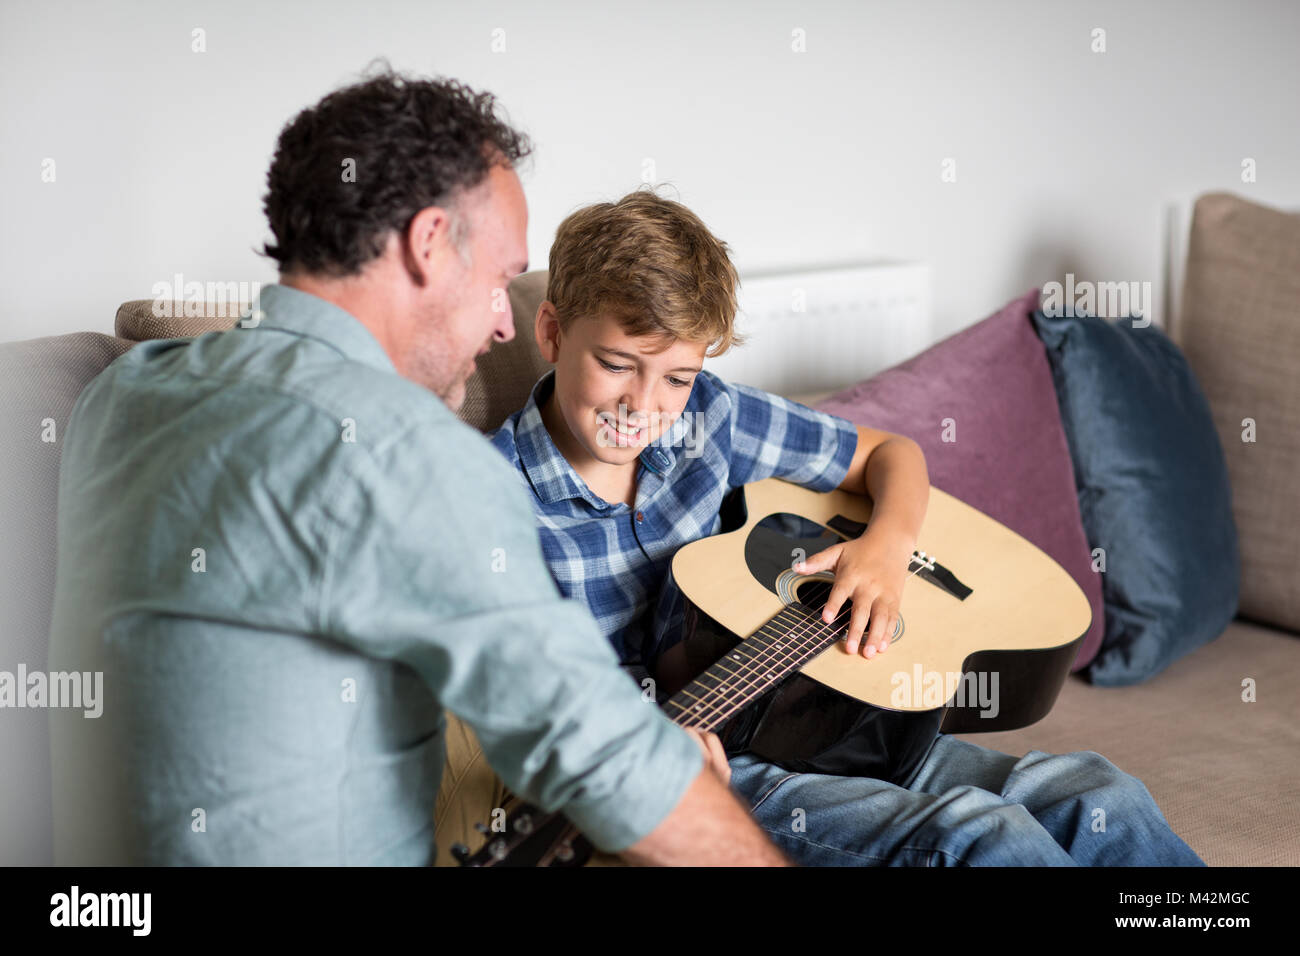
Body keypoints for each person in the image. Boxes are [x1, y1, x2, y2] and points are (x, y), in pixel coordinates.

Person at [45, 68, 788, 866]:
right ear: (430, 242)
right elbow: (601, 756)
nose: (506, 323)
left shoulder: (124, 393)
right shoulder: (401, 452)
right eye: (503, 278)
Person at [488, 188, 1207, 866]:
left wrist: (884, 550)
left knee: (1100, 793)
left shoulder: (713, 417)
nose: (645, 404)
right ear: (551, 332)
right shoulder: (487, 502)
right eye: (617, 365)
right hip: (725, 770)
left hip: (833, 714)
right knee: (984, 839)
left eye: (675, 376)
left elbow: (893, 454)